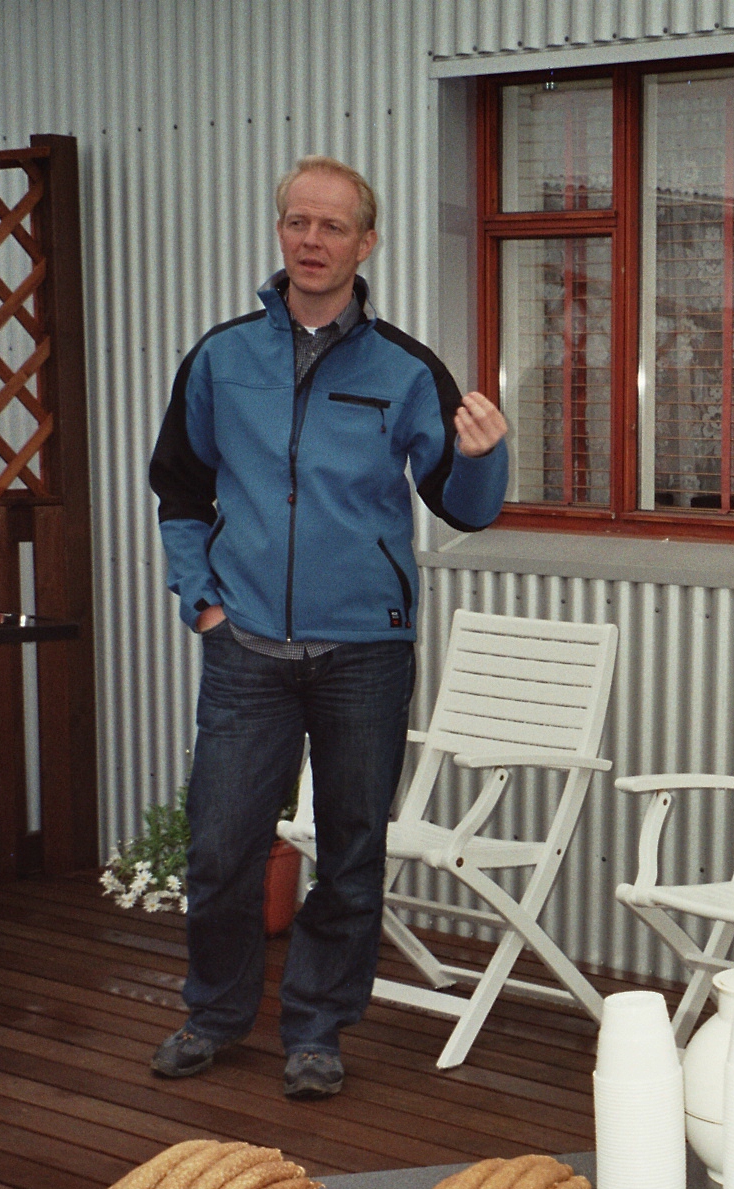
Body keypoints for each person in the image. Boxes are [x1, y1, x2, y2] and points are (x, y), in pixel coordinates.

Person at [147, 156, 509, 1099]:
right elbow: (179, 488)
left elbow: (462, 507)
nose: (311, 241)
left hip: (365, 652)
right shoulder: (223, 357)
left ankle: (316, 1028)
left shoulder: (404, 368)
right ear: (282, 235)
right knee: (222, 848)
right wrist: (204, 599)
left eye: (332, 227)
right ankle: (218, 1014)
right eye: (297, 223)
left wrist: (485, 457)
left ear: (366, 242)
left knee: (351, 852)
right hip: (248, 649)